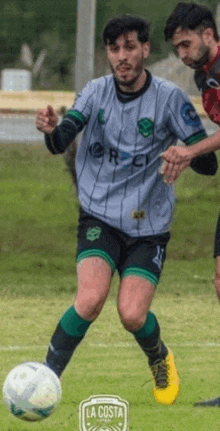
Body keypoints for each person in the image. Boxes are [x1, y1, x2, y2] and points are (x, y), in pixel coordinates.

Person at [36, 15, 217, 406]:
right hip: (99, 216)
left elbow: (208, 164)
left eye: (130, 47)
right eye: (115, 49)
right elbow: (62, 138)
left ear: (145, 50)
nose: (123, 57)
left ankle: (159, 358)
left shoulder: (169, 99)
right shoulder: (95, 92)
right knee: (89, 300)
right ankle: (43, 380)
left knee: (132, 315)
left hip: (148, 225)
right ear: (108, 54)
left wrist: (184, 154)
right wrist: (52, 131)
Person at [163, 2, 220, 406]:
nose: (181, 54)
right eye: (177, 47)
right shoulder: (205, 77)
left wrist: (189, 152)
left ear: (207, 33)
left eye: (185, 44)